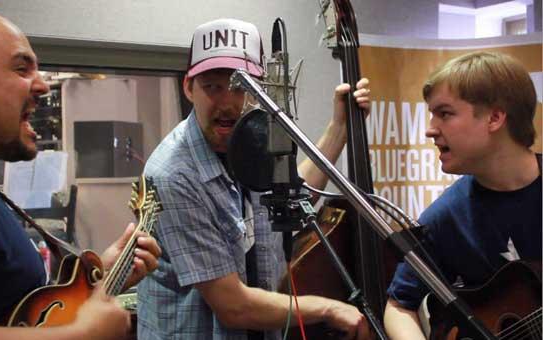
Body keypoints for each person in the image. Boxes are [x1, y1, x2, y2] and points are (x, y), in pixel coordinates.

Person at [0, 12, 161, 339]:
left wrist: (101, 277)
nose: (41, 84)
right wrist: (87, 333)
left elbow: (15, 313)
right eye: (21, 69)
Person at [137, 18, 372, 340]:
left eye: (239, 86)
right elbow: (233, 306)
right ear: (188, 87)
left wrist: (340, 130)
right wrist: (330, 308)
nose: (227, 103)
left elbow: (289, 199)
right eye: (212, 87)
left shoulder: (252, 140)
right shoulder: (173, 174)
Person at [383, 51, 542, 339]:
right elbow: (398, 307)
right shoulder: (444, 217)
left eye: (444, 113)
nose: (430, 130)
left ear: (495, 117)